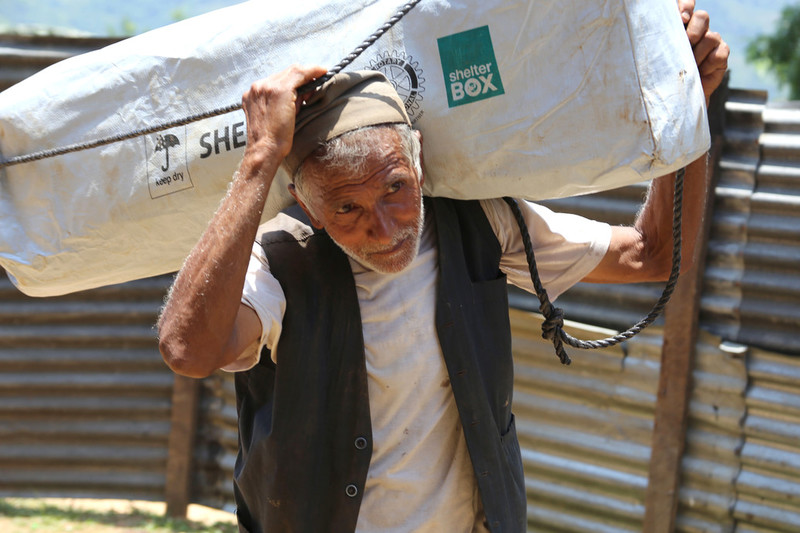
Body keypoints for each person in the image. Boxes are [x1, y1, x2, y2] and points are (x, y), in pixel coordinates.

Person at [157, 1, 728, 531]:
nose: (383, 229)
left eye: (396, 189)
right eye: (347, 208)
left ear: (419, 160)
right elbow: (187, 349)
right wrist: (261, 158)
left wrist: (689, 103)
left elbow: (650, 255)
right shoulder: (281, 261)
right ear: (309, 205)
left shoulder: (479, 222)